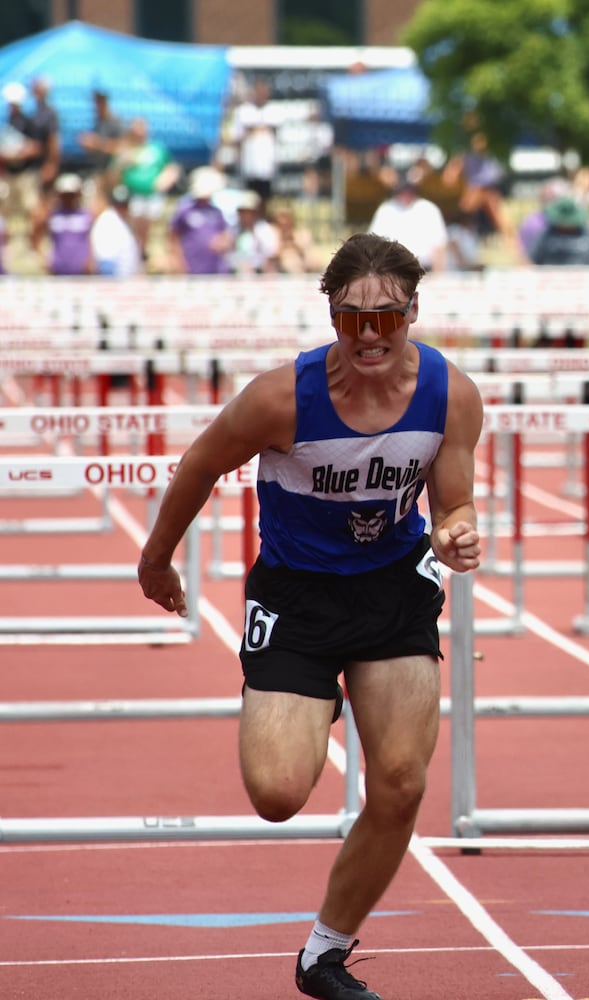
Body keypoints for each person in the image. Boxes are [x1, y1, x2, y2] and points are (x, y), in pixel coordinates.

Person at [137, 233, 484, 1000]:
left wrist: (457, 529)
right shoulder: (282, 398)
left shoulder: (450, 394)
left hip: (392, 588)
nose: (368, 336)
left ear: (412, 313)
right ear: (330, 316)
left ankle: (324, 954)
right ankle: (308, 692)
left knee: (399, 782)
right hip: (297, 595)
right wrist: (156, 558)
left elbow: (453, 498)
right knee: (278, 793)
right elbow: (199, 463)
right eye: (350, 318)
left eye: (385, 318)